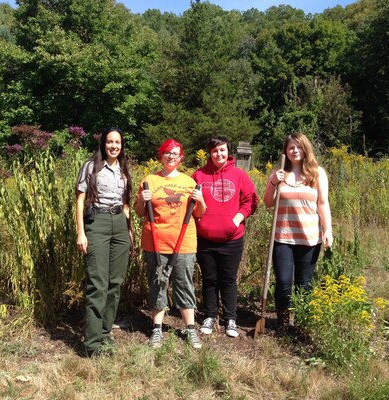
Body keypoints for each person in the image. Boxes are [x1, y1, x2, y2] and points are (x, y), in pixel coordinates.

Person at [134, 139, 206, 349]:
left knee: (184, 284)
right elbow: (139, 212)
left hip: (183, 242)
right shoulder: (150, 180)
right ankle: (157, 329)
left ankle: (190, 329)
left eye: (175, 154)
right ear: (161, 156)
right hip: (155, 242)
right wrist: (141, 200)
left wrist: (200, 199)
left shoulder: (189, 182)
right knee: (158, 283)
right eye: (167, 153)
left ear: (181, 158)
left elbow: (200, 213)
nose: (171, 157)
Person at [263, 132, 333, 327]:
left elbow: (323, 204)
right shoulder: (279, 174)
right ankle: (283, 323)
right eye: (291, 147)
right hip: (283, 237)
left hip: (309, 238)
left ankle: (303, 322)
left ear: (305, 149)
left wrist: (328, 230)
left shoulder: (317, 173)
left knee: (304, 283)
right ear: (286, 151)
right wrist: (272, 182)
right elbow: (268, 202)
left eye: (298, 146)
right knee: (284, 282)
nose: (295, 150)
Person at [192, 136, 258, 338]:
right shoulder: (198, 175)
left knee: (228, 279)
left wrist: (236, 220)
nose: (218, 154)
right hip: (205, 238)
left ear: (228, 152)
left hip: (232, 238)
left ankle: (230, 318)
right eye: (214, 151)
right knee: (210, 279)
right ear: (209, 153)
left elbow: (250, 200)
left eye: (222, 150)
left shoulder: (239, 175)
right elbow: (191, 203)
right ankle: (210, 315)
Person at [75, 127, 132, 356]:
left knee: (115, 283)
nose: (114, 146)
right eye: (110, 142)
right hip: (97, 223)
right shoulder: (91, 167)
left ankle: (106, 334)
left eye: (117, 142)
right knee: (97, 284)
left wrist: (128, 231)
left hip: (119, 224)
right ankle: (92, 344)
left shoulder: (124, 169)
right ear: (103, 144)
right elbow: (80, 201)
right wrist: (81, 232)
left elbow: (126, 203)